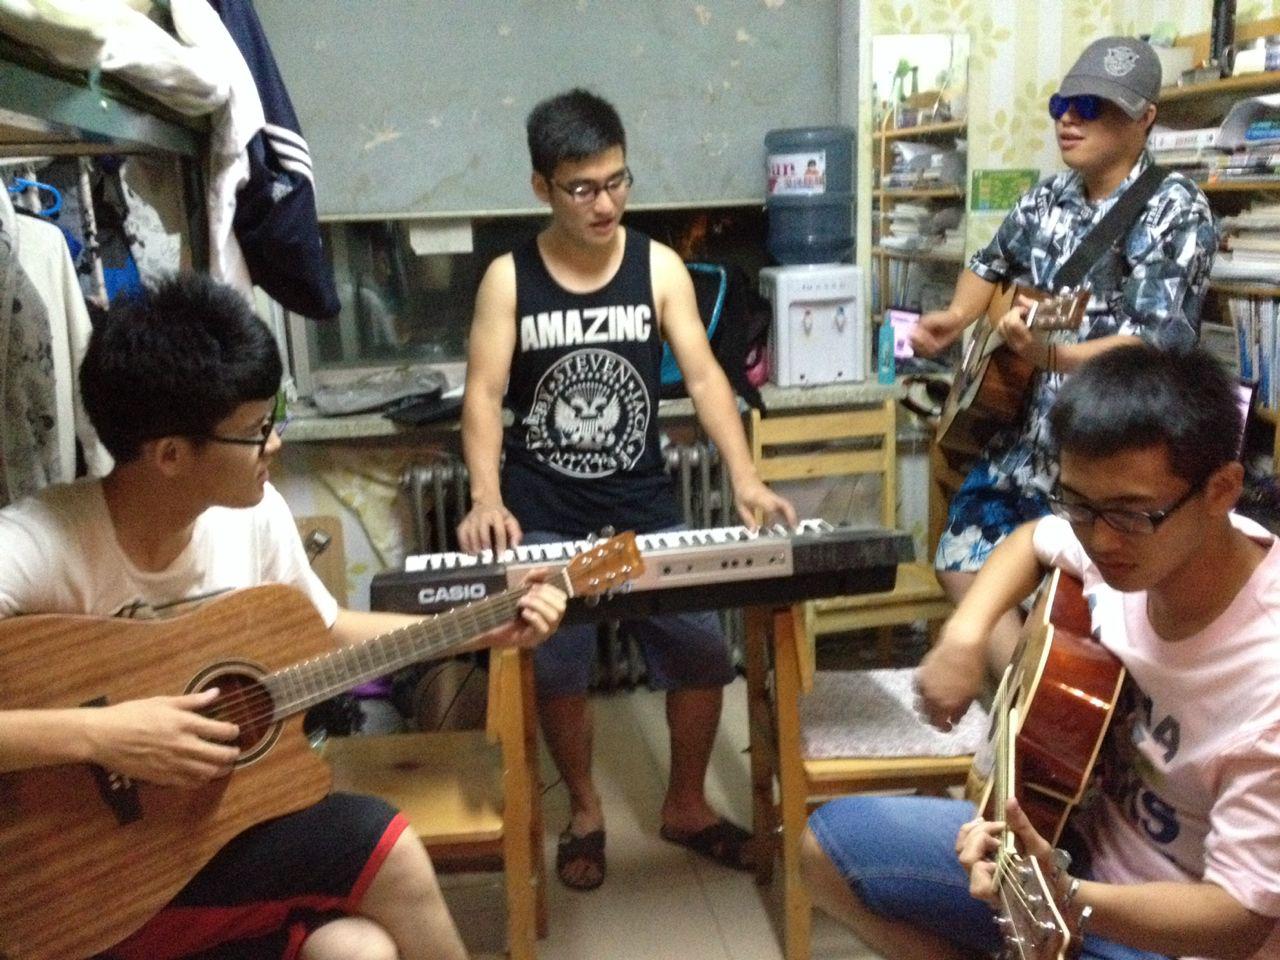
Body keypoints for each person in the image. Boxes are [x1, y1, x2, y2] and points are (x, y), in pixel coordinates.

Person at [0, 273, 567, 960]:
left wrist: (478, 627)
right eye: (254, 431)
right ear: (170, 455)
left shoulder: (253, 516)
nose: (275, 444)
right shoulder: (39, 544)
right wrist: (102, 736)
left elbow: (323, 634)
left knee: (358, 951)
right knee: (383, 844)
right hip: (82, 881)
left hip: (202, 840)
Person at [801, 344, 1280, 960]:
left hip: (1168, 928)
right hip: (1074, 839)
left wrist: (1059, 893)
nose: (1100, 541)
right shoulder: (1129, 543)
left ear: (1222, 490)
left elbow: (1239, 918)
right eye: (1078, 504)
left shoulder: (1265, 676)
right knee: (825, 849)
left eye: (1129, 515)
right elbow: (1032, 539)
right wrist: (965, 635)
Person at [457, 88, 796, 892]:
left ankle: (686, 806)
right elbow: (484, 394)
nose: (604, 204)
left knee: (703, 652)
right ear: (542, 187)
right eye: (582, 188)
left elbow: (707, 378)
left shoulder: (658, 266)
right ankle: (584, 811)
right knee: (557, 663)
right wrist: (485, 497)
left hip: (640, 512)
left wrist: (745, 477)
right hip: (546, 513)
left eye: (616, 182)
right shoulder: (510, 279)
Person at [911, 36, 1217, 671]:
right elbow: (989, 262)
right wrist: (958, 317)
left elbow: (1156, 342)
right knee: (960, 558)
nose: (1069, 120)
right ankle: (1026, 705)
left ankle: (1056, 706)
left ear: (1145, 118)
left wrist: (1053, 359)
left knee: (1086, 610)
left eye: (1092, 107)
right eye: (1062, 105)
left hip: (1114, 448)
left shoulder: (1175, 208)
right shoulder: (1045, 198)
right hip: (1030, 434)